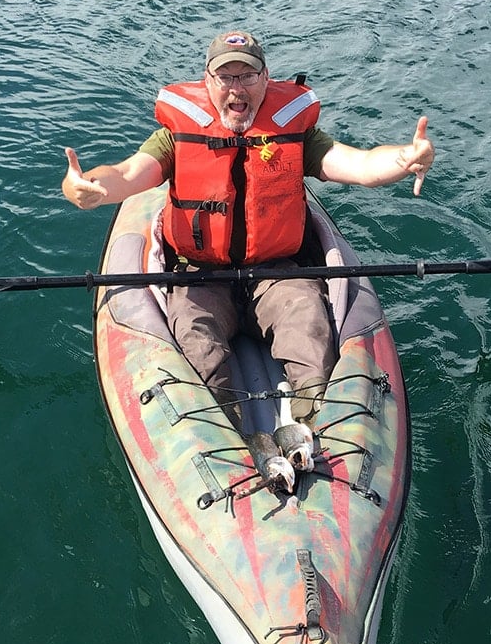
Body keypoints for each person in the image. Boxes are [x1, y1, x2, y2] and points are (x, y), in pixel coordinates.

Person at [62, 30, 434, 439]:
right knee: (196, 346)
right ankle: (229, 442)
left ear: (265, 79)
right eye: (226, 77)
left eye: (248, 76)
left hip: (276, 274)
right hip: (200, 275)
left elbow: (360, 165)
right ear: (209, 82)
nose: (236, 88)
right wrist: (86, 189)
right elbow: (128, 174)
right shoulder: (174, 137)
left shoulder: (298, 135)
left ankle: (315, 434)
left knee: (309, 330)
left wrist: (403, 160)